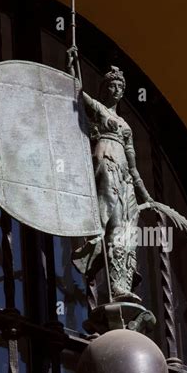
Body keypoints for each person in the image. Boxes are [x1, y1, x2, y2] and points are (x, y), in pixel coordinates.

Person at [72, 66, 154, 300]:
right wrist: (72, 65)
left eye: (120, 87)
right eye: (112, 85)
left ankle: (121, 284)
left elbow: (134, 166)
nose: (117, 90)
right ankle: (97, 249)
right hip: (105, 158)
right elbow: (78, 94)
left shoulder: (125, 126)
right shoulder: (99, 109)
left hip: (124, 172)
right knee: (110, 210)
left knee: (127, 225)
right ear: (105, 88)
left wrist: (145, 194)